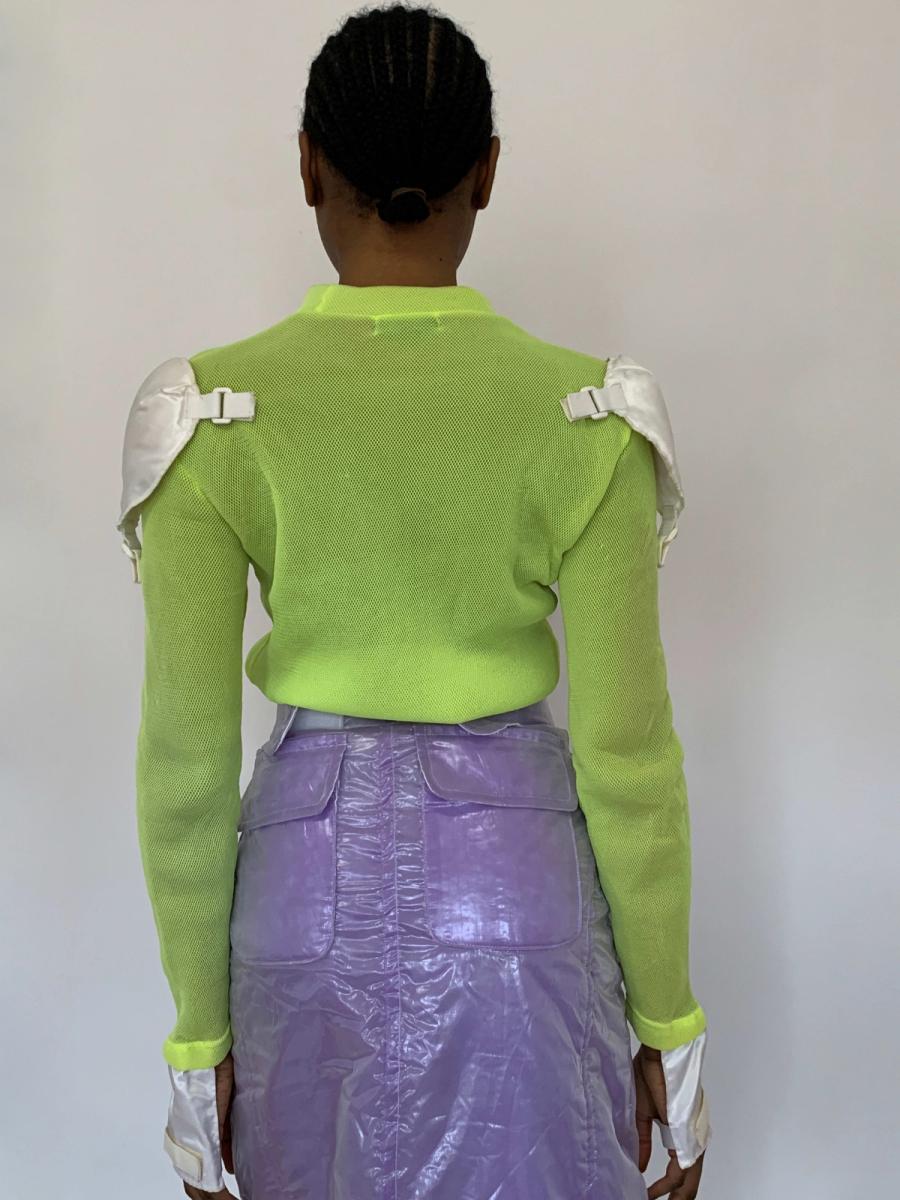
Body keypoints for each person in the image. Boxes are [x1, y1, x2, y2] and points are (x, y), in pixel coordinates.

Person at [117, 4, 711, 1197]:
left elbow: (185, 766)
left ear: (307, 165)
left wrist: (197, 1045)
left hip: (299, 896)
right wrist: (671, 1026)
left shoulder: (210, 414)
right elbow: (627, 757)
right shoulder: (588, 414)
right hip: (517, 889)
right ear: (485, 173)